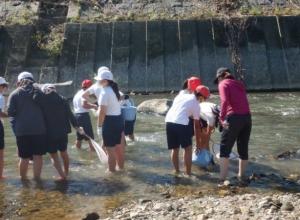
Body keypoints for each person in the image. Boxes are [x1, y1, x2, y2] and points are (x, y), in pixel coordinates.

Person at [33, 84, 83, 180]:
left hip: (50, 132)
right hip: (63, 131)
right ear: (55, 90)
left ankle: (62, 176)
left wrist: (37, 88)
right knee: (64, 152)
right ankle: (66, 172)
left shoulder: (43, 99)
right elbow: (70, 115)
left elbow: (35, 98)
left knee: (54, 155)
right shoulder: (63, 99)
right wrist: (77, 127)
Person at [214, 67, 252, 186]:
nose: (218, 82)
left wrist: (221, 118)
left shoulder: (223, 84)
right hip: (247, 118)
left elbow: (224, 101)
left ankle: (222, 180)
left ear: (222, 76)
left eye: (218, 79)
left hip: (233, 118)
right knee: (243, 149)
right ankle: (241, 176)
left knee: (224, 150)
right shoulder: (240, 84)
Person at [7, 72, 46, 180]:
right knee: (38, 156)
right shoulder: (40, 92)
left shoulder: (14, 94)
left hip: (22, 131)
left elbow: (10, 113)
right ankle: (37, 180)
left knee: (24, 158)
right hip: (39, 130)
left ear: (19, 81)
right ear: (32, 80)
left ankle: (23, 181)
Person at [165, 85, 203, 176]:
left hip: (169, 121)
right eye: (204, 98)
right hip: (182, 124)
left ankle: (177, 171)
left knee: (175, 149)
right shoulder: (196, 103)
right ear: (201, 97)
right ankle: (188, 174)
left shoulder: (181, 95)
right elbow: (197, 126)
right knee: (188, 149)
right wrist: (198, 144)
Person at [96, 70, 125, 172]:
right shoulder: (114, 90)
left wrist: (99, 126)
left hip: (110, 122)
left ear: (105, 81)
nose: (98, 82)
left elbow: (102, 112)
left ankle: (112, 173)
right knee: (118, 149)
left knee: (110, 150)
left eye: (99, 80)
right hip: (119, 120)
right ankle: (121, 169)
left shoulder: (104, 92)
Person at [73, 79, 98, 150]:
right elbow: (84, 104)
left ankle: (78, 152)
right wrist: (94, 106)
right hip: (83, 117)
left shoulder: (78, 93)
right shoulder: (84, 94)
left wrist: (94, 103)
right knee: (90, 138)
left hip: (76, 117)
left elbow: (93, 100)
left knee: (79, 137)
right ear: (90, 87)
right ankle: (92, 157)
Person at [196, 85, 220, 151]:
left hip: (204, 116)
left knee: (205, 139)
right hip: (201, 116)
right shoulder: (212, 115)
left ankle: (204, 151)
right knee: (205, 139)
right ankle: (202, 150)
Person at [0, 77, 9, 179]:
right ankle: (1, 176)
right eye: (3, 86)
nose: (4, 88)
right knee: (1, 154)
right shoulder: (0, 97)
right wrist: (10, 115)